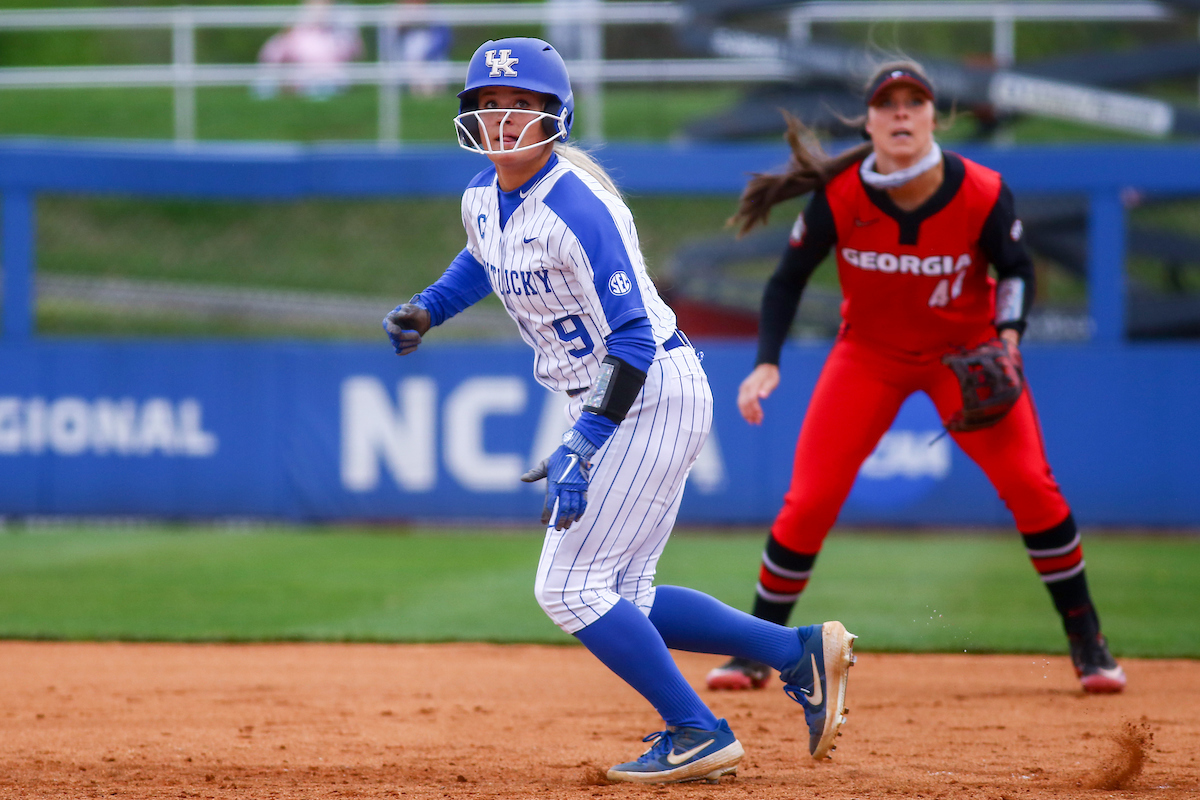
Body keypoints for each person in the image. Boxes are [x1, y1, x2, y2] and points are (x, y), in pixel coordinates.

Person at [382, 37, 858, 784]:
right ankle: (795, 653)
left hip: (645, 390)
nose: (504, 117)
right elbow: (484, 255)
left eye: (522, 103)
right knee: (624, 595)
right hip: (620, 394)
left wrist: (584, 441)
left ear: (557, 115)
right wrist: (430, 307)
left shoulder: (577, 206)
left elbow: (632, 337)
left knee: (566, 589)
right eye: (490, 103)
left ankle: (697, 730)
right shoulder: (482, 195)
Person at [705, 61, 1126, 696]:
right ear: (869, 122)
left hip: (966, 354)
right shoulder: (842, 194)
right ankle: (757, 650)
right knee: (809, 502)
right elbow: (786, 281)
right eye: (887, 103)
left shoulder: (980, 190)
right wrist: (767, 360)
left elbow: (1016, 268)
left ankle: (1088, 641)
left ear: (934, 117)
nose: (901, 111)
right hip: (869, 356)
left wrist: (1009, 337)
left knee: (1032, 487)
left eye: (914, 101)